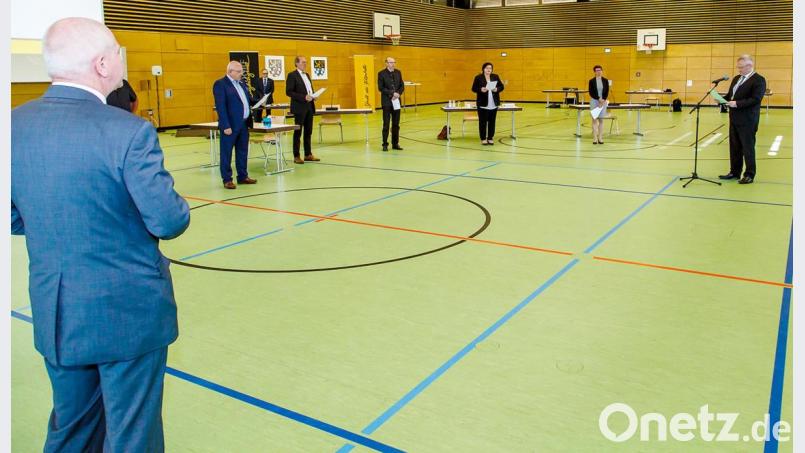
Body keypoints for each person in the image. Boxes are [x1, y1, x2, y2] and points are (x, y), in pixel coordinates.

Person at [11, 17, 190, 452]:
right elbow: (168, 220)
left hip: (57, 311)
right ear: (103, 64)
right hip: (127, 310)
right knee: (132, 433)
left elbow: (14, 216)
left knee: (70, 428)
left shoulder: (12, 125)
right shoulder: (128, 132)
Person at [720, 55, 766, 184]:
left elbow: (756, 99)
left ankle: (749, 174)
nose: (738, 70)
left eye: (741, 67)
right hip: (734, 117)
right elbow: (731, 95)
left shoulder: (759, 80)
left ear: (749, 66)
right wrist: (721, 99)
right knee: (734, 147)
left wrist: (737, 104)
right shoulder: (736, 79)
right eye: (738, 67)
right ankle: (734, 172)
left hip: (748, 119)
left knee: (748, 147)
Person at [213, 61, 258, 188]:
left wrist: (260, 101)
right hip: (230, 125)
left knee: (242, 151)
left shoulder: (242, 84)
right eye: (238, 72)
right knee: (226, 152)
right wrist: (225, 125)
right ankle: (227, 179)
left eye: (241, 72)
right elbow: (221, 107)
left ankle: (243, 176)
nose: (241, 74)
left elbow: (248, 100)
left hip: (244, 124)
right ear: (230, 71)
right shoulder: (220, 84)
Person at [286, 56, 321, 164]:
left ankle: (308, 154)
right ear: (296, 63)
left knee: (308, 131)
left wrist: (314, 95)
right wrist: (304, 97)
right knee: (298, 132)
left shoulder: (307, 75)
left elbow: (309, 89)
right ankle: (296, 155)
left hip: (309, 106)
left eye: (306, 62)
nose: (305, 64)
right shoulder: (292, 75)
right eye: (303, 62)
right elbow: (289, 92)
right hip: (299, 107)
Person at [471, 62, 504, 145]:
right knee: (482, 122)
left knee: (492, 122)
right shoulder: (478, 77)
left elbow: (502, 86)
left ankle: (490, 137)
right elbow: (473, 88)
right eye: (487, 68)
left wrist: (497, 89)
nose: (489, 69)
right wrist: (480, 89)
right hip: (482, 104)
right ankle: (483, 138)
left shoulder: (495, 76)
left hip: (493, 104)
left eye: (490, 68)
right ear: (483, 69)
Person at [377, 57, 405, 151]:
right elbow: (381, 88)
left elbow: (402, 85)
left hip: (396, 102)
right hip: (386, 102)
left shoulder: (398, 72)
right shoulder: (381, 74)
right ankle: (385, 144)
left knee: (396, 124)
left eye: (394, 62)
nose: (393, 64)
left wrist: (398, 94)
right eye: (390, 62)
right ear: (386, 63)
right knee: (386, 124)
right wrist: (392, 93)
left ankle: (395, 143)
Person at [588, 65, 609, 144]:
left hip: (603, 102)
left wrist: (603, 99)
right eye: (597, 70)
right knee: (594, 120)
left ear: (602, 71)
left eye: (600, 70)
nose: (599, 71)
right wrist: (598, 98)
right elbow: (591, 92)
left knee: (601, 120)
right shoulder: (591, 81)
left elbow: (607, 91)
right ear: (594, 72)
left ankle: (600, 138)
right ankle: (595, 138)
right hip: (594, 101)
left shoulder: (605, 80)